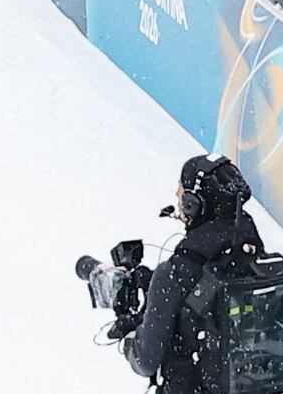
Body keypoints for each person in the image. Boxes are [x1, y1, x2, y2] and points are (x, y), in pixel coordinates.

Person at [117, 153, 273, 388]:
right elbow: (202, 298)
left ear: (194, 205)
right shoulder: (248, 247)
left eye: (182, 197)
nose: (179, 204)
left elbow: (146, 360)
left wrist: (129, 341)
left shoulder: (173, 274)